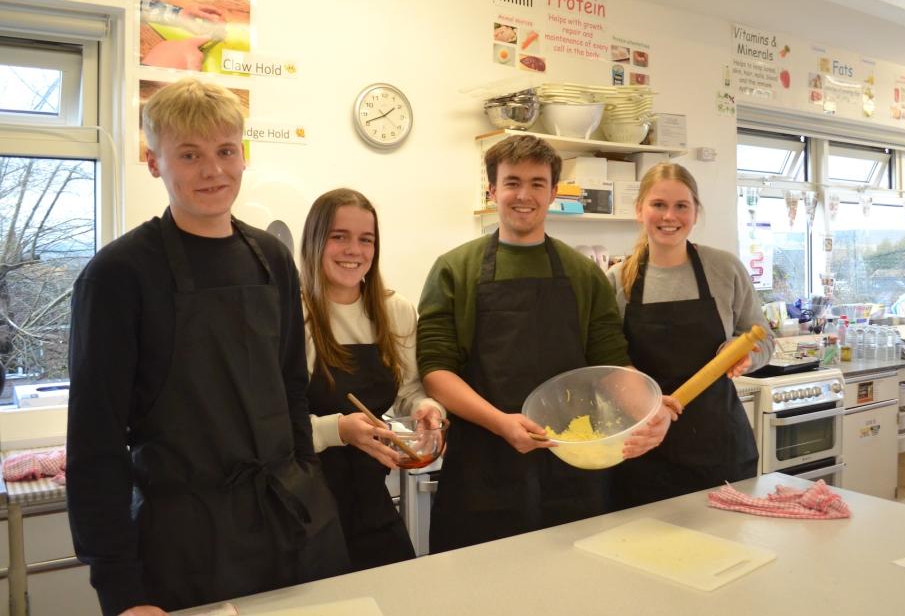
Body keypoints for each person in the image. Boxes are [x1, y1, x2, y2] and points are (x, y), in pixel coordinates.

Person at [67, 78, 349, 616]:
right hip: (186, 546)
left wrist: (307, 479)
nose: (213, 170)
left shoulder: (272, 258)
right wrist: (121, 592)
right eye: (189, 154)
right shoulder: (118, 276)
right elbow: (95, 445)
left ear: (243, 155)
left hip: (293, 525)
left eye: (225, 151)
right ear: (155, 162)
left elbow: (292, 388)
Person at [416, 134, 679, 553]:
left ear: (554, 192)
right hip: (483, 469)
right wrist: (501, 422)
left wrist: (650, 411)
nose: (525, 195)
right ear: (492, 190)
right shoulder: (454, 270)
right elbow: (436, 370)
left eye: (538, 183)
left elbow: (611, 363)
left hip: (572, 468)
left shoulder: (583, 274)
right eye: (512, 182)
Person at [606, 162, 774, 510]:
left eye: (681, 206)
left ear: (695, 212)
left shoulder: (724, 269)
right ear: (640, 210)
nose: (670, 216)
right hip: (645, 446)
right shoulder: (617, 281)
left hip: (720, 445)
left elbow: (763, 339)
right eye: (658, 205)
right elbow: (608, 364)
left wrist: (746, 354)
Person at [300, 188, 444, 571]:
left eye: (366, 240)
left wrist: (426, 408)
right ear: (315, 240)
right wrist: (340, 430)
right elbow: (272, 423)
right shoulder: (291, 314)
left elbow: (408, 390)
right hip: (304, 506)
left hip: (369, 496)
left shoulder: (394, 310)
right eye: (339, 236)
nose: (354, 250)